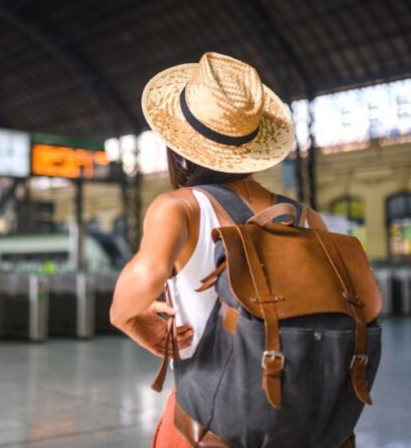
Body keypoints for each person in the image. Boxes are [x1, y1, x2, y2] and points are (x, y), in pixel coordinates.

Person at [110, 52, 301, 447]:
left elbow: (133, 293)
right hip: (296, 419)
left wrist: (133, 320)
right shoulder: (302, 216)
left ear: (178, 141)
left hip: (210, 419)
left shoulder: (180, 207)